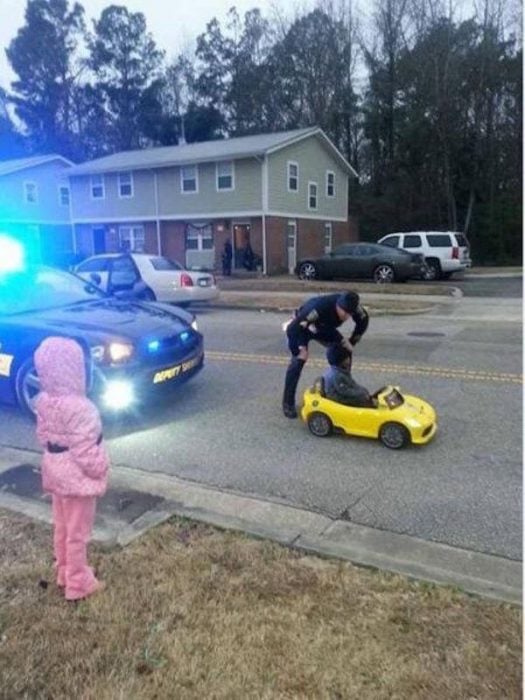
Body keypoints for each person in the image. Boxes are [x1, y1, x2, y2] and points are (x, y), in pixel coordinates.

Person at [34, 337, 109, 602]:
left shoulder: (43, 400)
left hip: (54, 471)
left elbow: (43, 436)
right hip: (77, 479)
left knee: (62, 526)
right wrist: (101, 468)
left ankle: (64, 571)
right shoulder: (83, 408)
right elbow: (86, 450)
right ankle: (78, 583)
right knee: (79, 532)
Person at [282, 291, 369, 418]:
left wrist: (351, 343)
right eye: (343, 311)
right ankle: (287, 402)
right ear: (337, 305)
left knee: (344, 353)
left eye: (349, 313)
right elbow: (292, 330)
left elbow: (363, 322)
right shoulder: (318, 308)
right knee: (298, 361)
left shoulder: (355, 309)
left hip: (324, 328)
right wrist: (299, 351)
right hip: (303, 326)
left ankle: (342, 390)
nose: (345, 316)